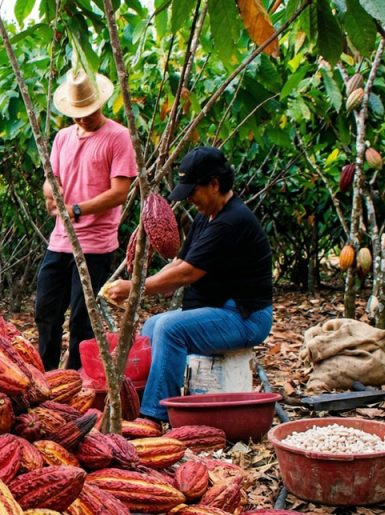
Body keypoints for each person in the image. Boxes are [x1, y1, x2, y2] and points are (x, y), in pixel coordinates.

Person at [104, 146, 273, 422]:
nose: (190, 199)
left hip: (246, 316)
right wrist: (142, 283)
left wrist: (135, 289)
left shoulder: (232, 221)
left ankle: (154, 416)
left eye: (193, 191)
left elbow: (187, 273)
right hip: (220, 309)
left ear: (214, 184)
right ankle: (137, 403)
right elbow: (179, 262)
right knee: (152, 326)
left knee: (170, 329)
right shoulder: (207, 218)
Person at [35, 68, 139, 371]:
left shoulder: (118, 137)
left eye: (88, 113)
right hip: (60, 241)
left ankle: (75, 379)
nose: (83, 119)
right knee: (46, 311)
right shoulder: (63, 138)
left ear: (100, 104)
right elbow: (52, 177)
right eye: (77, 114)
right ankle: (46, 374)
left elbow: (119, 192)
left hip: (95, 244)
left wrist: (77, 209)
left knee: (83, 320)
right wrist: (50, 192)